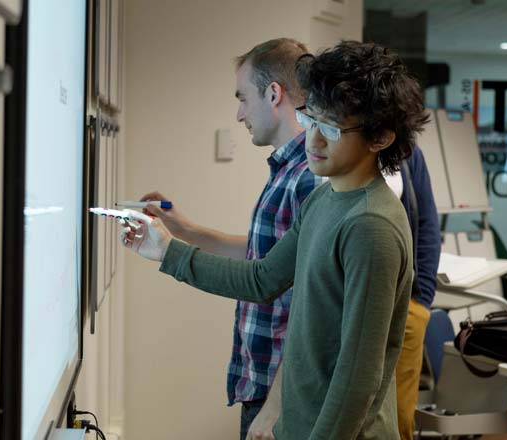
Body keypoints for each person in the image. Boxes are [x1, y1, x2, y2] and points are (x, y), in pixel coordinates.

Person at [123, 40, 430, 438]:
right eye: (312, 120)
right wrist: (165, 250)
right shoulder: (324, 200)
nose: (314, 141)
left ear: (380, 138)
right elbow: (262, 279)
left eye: (332, 128)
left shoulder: (372, 225)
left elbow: (358, 377)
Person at [138, 38, 323, 440]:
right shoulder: (286, 172)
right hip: (263, 381)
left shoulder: (308, 178)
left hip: (281, 391)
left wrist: (276, 406)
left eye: (243, 97)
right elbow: (267, 256)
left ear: (273, 93)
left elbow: (301, 300)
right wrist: (183, 228)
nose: (239, 113)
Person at [384, 148, 441, 440]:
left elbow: (428, 222)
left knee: (401, 421)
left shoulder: (408, 154)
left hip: (406, 306)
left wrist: (422, 300)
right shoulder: (334, 147)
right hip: (349, 308)